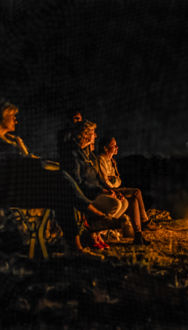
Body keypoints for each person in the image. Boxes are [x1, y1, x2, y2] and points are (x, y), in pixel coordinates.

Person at [0, 100, 115, 253]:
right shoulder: (4, 145)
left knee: (61, 195)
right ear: (2, 116)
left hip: (26, 185)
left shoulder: (15, 141)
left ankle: (77, 248)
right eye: (12, 116)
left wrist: (36, 160)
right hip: (11, 189)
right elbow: (15, 165)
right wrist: (30, 162)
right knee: (61, 177)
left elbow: (27, 160)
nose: (16, 120)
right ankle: (93, 214)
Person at [61, 121, 149, 245]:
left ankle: (98, 231)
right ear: (85, 135)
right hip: (87, 194)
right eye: (93, 133)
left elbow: (99, 178)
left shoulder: (87, 155)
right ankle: (93, 230)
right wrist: (103, 190)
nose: (95, 136)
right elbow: (78, 182)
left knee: (124, 203)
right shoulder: (74, 155)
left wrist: (111, 191)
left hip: (97, 190)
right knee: (116, 204)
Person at [97, 136, 152, 243]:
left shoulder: (112, 161)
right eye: (113, 145)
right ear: (105, 147)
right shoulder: (101, 159)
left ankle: (138, 234)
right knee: (136, 192)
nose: (117, 147)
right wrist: (112, 183)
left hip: (115, 188)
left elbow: (118, 180)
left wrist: (113, 181)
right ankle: (145, 221)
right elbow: (105, 181)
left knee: (133, 200)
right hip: (107, 190)